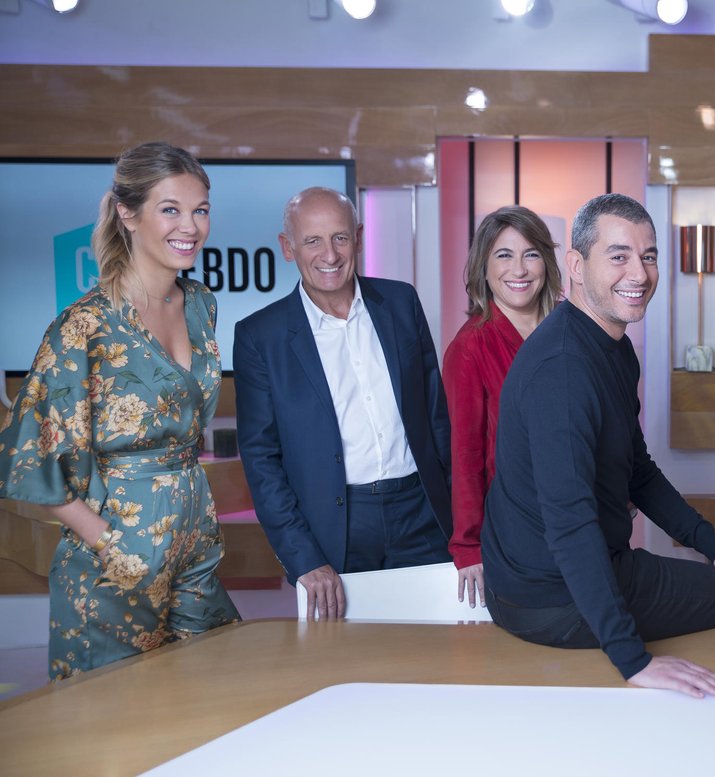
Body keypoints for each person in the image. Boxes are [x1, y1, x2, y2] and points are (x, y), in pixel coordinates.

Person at [481, 193, 715, 699]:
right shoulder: (563, 369)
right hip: (549, 598)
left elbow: (639, 470)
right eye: (618, 256)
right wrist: (633, 660)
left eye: (648, 256)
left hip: (563, 577)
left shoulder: (613, 349)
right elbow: (569, 523)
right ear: (575, 266)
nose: (639, 273)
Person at [0, 142, 240, 679]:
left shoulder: (201, 303)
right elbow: (31, 455)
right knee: (118, 719)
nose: (191, 226)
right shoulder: (84, 325)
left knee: (218, 695)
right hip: (114, 562)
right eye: (170, 209)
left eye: (200, 210)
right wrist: (109, 543)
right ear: (127, 214)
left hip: (195, 547)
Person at [233, 187, 453, 620]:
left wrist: (463, 527)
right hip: (336, 530)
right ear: (288, 248)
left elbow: (437, 419)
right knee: (346, 655)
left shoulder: (402, 303)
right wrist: (303, 558)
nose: (329, 255)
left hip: (422, 513)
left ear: (359, 238)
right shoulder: (261, 336)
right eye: (312, 241)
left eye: (339, 237)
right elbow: (261, 461)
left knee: (438, 646)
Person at [443, 206, 563, 608]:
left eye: (531, 254)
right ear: (484, 266)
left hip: (581, 516)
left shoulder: (570, 329)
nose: (519, 269)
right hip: (518, 528)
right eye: (504, 255)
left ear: (546, 262)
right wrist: (468, 546)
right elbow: (465, 455)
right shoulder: (469, 348)